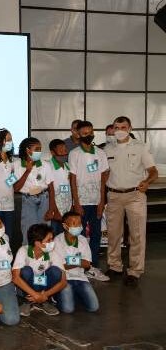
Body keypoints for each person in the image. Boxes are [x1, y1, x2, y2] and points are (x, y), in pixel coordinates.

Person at [104, 116, 158, 286]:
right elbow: (103, 174)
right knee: (113, 234)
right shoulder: (107, 149)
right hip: (113, 196)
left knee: (137, 235)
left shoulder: (140, 147)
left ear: (130, 128)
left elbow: (153, 171)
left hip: (135, 196)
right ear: (112, 128)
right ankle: (115, 266)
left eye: (123, 127)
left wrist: (147, 182)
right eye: (116, 127)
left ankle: (135, 271)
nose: (119, 130)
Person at [68, 120, 110, 282]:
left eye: (90, 132)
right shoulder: (75, 154)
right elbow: (73, 179)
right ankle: (77, 266)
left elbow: (102, 179)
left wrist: (101, 202)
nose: (88, 135)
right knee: (78, 235)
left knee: (96, 234)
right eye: (85, 133)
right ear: (78, 135)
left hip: (96, 201)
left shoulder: (100, 153)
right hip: (81, 202)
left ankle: (92, 266)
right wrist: (76, 203)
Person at [12, 223, 66, 317]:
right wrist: (35, 295)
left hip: (43, 287)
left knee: (56, 271)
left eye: (52, 239)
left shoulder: (53, 252)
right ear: (37, 243)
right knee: (26, 271)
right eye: (49, 240)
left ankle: (43, 301)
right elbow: (15, 278)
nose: (52, 242)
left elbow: (63, 281)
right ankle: (28, 301)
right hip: (28, 287)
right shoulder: (23, 250)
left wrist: (44, 295)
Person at [54, 211, 100, 313]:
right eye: (74, 223)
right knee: (68, 309)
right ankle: (57, 295)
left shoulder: (83, 240)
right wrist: (79, 261)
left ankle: (73, 294)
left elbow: (87, 264)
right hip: (64, 279)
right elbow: (60, 266)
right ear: (65, 226)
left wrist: (69, 261)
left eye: (79, 223)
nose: (78, 226)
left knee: (94, 307)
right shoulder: (57, 241)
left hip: (80, 278)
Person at [13, 137, 52, 246]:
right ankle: (28, 258)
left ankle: (45, 257)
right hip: (27, 200)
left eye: (40, 149)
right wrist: (27, 171)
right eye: (37, 149)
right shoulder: (17, 165)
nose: (39, 152)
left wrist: (51, 208)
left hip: (44, 198)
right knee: (28, 230)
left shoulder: (45, 165)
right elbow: (16, 188)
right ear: (28, 150)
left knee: (45, 230)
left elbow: (51, 187)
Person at [46, 139, 72, 235]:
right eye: (61, 151)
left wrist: (71, 206)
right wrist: (54, 210)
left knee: (65, 236)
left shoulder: (69, 166)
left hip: (67, 208)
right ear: (52, 152)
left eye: (65, 150)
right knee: (54, 235)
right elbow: (49, 190)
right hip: (55, 209)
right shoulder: (48, 166)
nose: (64, 153)